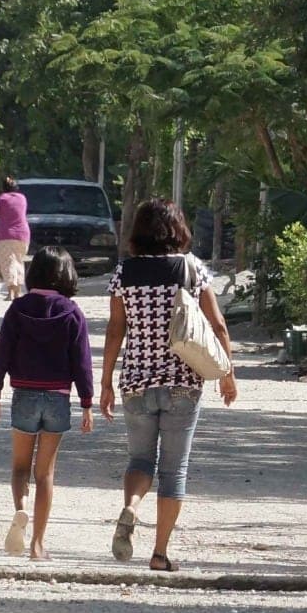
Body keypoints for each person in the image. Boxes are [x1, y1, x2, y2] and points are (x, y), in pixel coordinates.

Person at [100, 198, 237, 571]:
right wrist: (228, 374)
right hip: (184, 383)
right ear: (178, 229)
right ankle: (159, 555)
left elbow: (116, 330)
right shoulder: (191, 269)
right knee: (173, 471)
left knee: (140, 460)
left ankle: (131, 507)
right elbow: (218, 325)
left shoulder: (123, 273)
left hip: (136, 383)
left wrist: (106, 381)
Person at [0, 246, 94, 561]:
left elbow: (2, 353)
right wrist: (87, 403)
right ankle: (37, 545)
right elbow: (82, 362)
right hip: (59, 398)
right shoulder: (73, 313)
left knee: (20, 468)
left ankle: (21, 510)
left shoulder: (18, 309)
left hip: (24, 395)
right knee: (44, 473)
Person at [0, 175, 30, 301]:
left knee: (8, 262)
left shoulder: (1, 199)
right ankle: (18, 292)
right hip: (23, 235)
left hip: (7, 235)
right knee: (19, 261)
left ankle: (10, 293)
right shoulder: (22, 198)